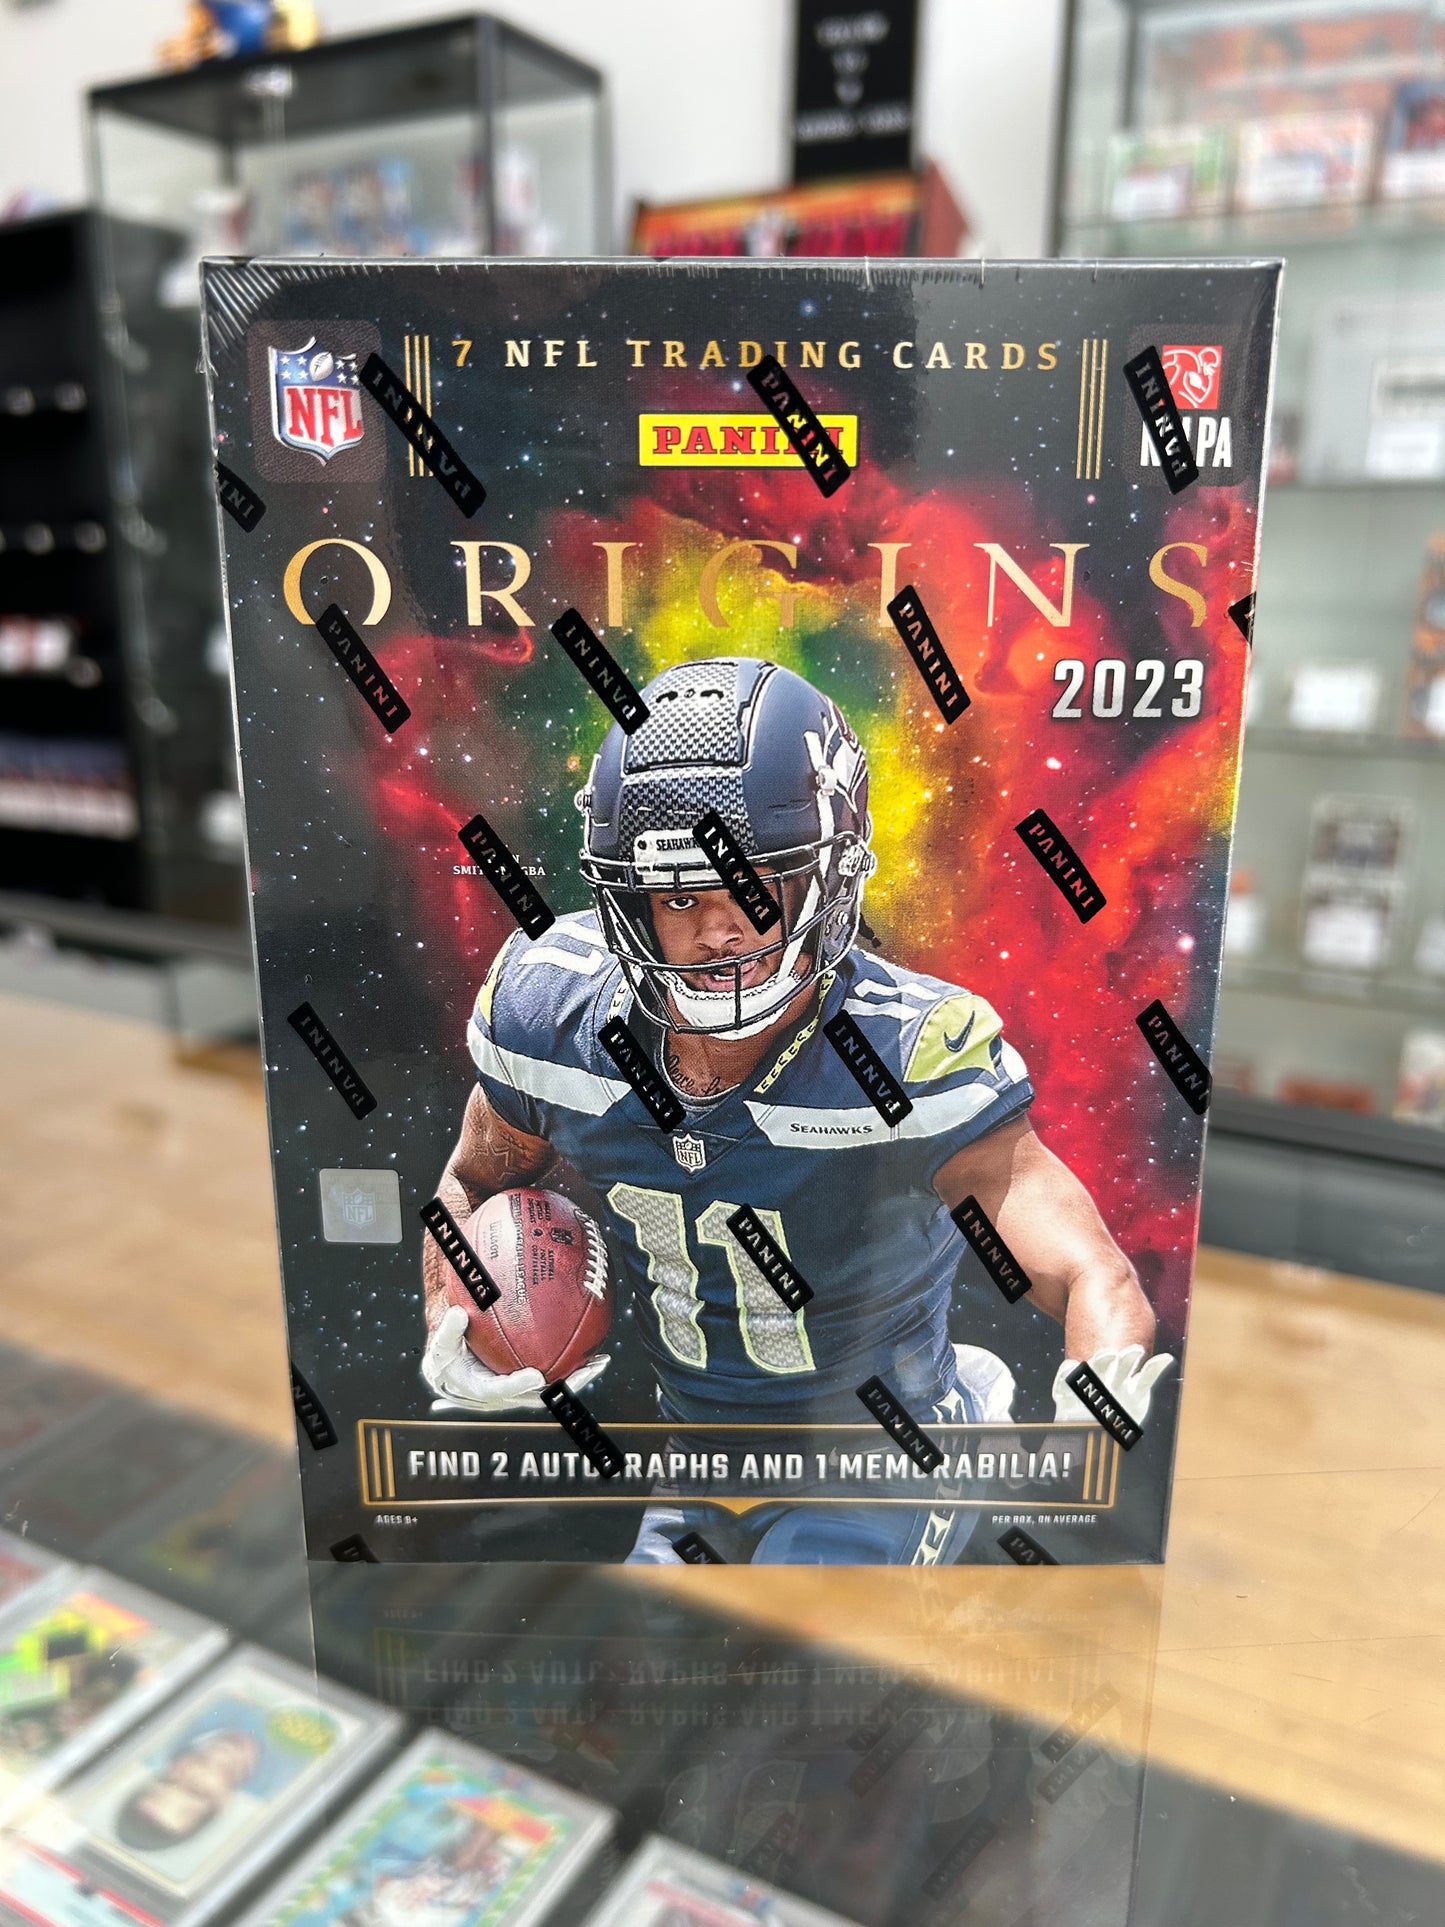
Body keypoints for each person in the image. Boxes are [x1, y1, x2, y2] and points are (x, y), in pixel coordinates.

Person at [422, 657, 1170, 1564]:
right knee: (660, 1643)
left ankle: (962, 1403)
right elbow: (472, 1183)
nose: (718, 930)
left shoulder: (902, 1051)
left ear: (828, 880)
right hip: (696, 1457)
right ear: (626, 900)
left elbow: (1086, 1269)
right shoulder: (551, 1014)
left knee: (799, 1618)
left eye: (753, 887)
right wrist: (452, 1315)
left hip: (880, 1456)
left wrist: (1096, 1384)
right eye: (680, 893)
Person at [112, 1727, 260, 1852]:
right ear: (224, 1802)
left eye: (169, 1780)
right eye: (197, 1789)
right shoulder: (273, 1793)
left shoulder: (178, 1727)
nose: (197, 1769)